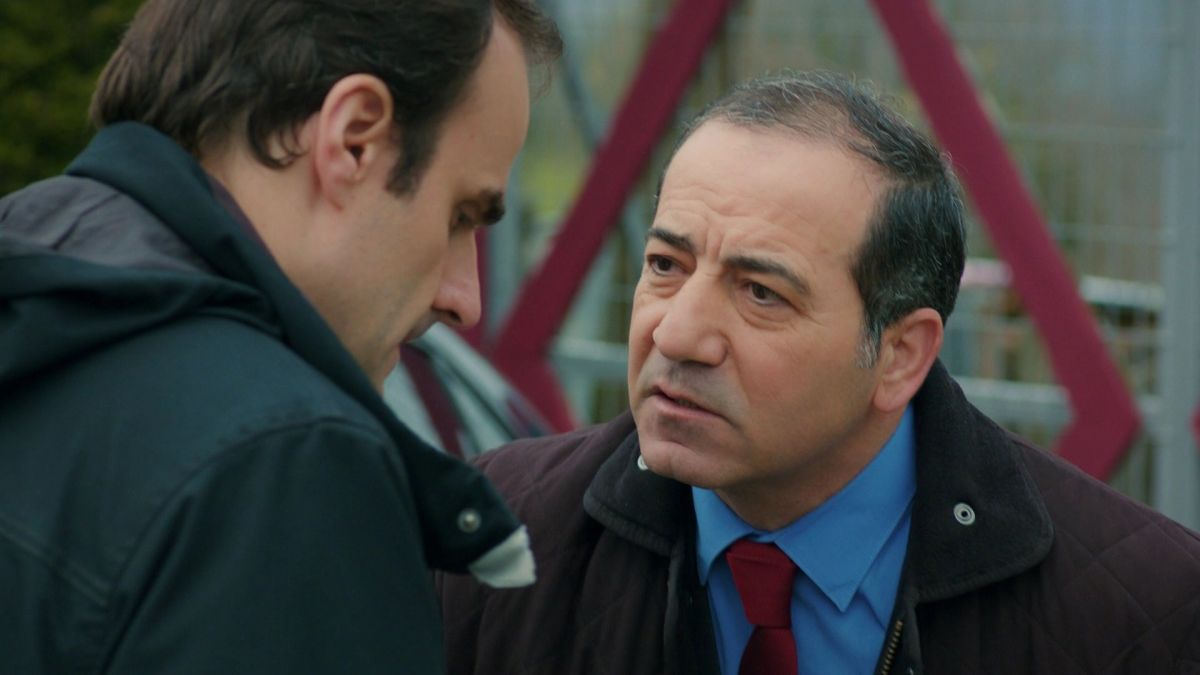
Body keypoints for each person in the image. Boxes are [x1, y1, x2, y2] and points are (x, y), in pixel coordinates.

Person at [437, 72, 1200, 674]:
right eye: (666, 264)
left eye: (761, 293)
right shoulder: (495, 543)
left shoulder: (1144, 614)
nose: (677, 333)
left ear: (900, 354)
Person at [0, 1, 559, 672]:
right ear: (354, 138)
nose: (464, 300)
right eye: (460, 214)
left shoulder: (36, 303)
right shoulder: (287, 467)